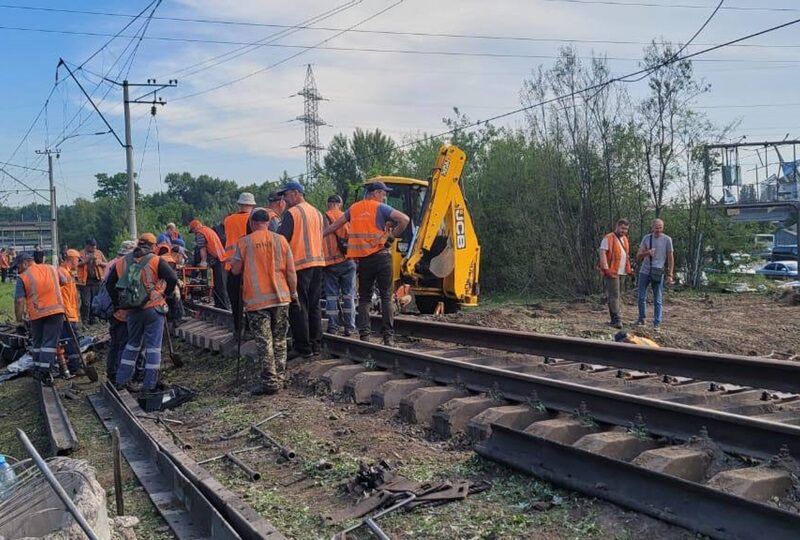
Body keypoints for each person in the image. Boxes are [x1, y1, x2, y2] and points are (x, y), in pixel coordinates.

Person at [324, 181, 410, 346]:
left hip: (364, 260)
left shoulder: (354, 208)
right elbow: (404, 220)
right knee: (386, 297)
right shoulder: (381, 208)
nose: (385, 196)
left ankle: (365, 336)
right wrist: (391, 239)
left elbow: (335, 226)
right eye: (383, 193)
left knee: (364, 298)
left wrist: (318, 235)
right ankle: (388, 337)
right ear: (376, 193)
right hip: (382, 256)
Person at [231, 208, 298, 395]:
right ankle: (280, 378)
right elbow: (291, 272)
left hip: (257, 301)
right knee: (280, 340)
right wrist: (293, 293)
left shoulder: (244, 242)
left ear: (252, 223)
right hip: (281, 298)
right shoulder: (281, 241)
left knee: (265, 342)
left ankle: (269, 383)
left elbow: (235, 270)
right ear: (268, 223)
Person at [106, 233, 178, 393]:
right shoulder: (156, 260)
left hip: (132, 311)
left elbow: (110, 284)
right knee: (153, 348)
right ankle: (149, 384)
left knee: (132, 345)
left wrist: (119, 304)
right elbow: (172, 278)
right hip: (154, 308)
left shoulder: (122, 261)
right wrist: (164, 294)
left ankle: (121, 380)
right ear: (153, 246)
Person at [276, 181, 325, 358]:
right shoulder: (317, 212)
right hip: (318, 263)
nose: (284, 198)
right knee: (314, 306)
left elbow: (281, 240)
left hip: (299, 265)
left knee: (298, 306)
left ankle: (302, 347)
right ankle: (316, 344)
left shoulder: (292, 213)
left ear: (296, 193)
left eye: (286, 194)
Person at [14, 253, 66, 384]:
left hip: (37, 314)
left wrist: (19, 320)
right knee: (49, 343)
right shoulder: (52, 268)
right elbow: (64, 281)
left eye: (18, 266)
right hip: (56, 311)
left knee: (38, 342)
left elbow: (19, 301)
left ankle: (40, 370)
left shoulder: (23, 277)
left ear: (25, 263)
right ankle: (44, 370)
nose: (17, 269)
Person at [322, 194, 356, 336]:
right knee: (349, 295)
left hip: (329, 263)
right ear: (340, 204)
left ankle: (333, 326)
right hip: (347, 261)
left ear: (328, 204)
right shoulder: (347, 217)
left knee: (331, 296)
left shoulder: (321, 218)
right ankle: (349, 327)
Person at [223, 192, 257, 334]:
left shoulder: (228, 220)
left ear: (239, 204)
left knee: (235, 300)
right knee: (250, 298)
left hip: (232, 265)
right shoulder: (253, 219)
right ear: (252, 205)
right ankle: (250, 329)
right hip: (249, 265)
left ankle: (238, 329)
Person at [104, 240, 136, 383]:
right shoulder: (125, 265)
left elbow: (107, 285)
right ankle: (120, 376)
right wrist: (120, 304)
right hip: (122, 311)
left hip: (111, 309)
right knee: (124, 343)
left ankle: (111, 372)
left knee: (115, 342)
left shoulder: (111, 263)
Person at [635, 218, 674, 330]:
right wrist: (647, 253)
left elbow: (670, 257)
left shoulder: (667, 240)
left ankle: (657, 322)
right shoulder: (646, 238)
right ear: (652, 227)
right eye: (656, 227)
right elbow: (638, 256)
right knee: (641, 296)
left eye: (660, 227)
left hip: (658, 272)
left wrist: (670, 274)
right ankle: (641, 319)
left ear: (663, 228)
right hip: (645, 271)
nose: (658, 230)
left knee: (658, 298)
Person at [598, 219, 632, 329]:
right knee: (614, 295)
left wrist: (629, 269)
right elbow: (602, 253)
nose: (624, 231)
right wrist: (606, 268)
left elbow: (625, 255)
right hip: (612, 271)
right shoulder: (608, 238)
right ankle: (617, 319)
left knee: (616, 295)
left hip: (622, 271)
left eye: (626, 229)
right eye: (622, 228)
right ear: (617, 226)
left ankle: (614, 319)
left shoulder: (625, 239)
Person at [188, 218, 229, 309]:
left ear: (195, 228)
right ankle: (220, 305)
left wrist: (203, 262)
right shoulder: (207, 230)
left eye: (193, 231)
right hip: (220, 257)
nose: (194, 233)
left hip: (217, 259)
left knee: (220, 285)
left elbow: (202, 249)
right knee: (219, 284)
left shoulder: (200, 233)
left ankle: (223, 306)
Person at [57, 249, 83, 376]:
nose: (78, 263)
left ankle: (74, 366)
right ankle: (74, 367)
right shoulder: (61, 273)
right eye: (77, 260)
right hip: (66, 313)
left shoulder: (67, 273)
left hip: (70, 312)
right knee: (70, 341)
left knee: (72, 340)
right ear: (71, 259)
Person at [77, 238, 107, 324]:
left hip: (97, 281)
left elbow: (107, 263)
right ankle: (85, 320)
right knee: (86, 302)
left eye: (95, 246)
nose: (94, 248)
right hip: (84, 282)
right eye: (92, 246)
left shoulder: (99, 253)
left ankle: (93, 318)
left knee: (95, 301)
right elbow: (76, 264)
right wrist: (86, 261)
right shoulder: (80, 254)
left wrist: (100, 263)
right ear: (87, 245)